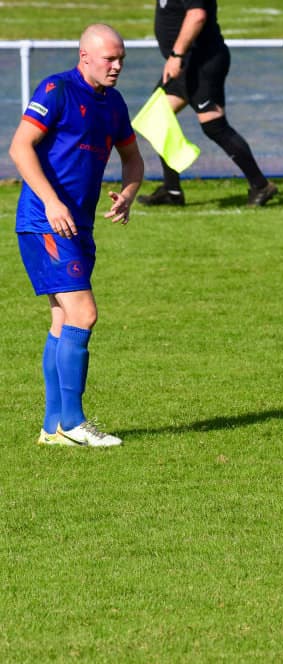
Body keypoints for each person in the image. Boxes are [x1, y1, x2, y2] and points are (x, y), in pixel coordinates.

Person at [9, 24, 143, 446]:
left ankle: (53, 428)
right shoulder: (57, 90)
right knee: (84, 314)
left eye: (121, 58)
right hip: (44, 222)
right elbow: (20, 147)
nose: (117, 66)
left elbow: (133, 159)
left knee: (63, 319)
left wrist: (128, 194)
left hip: (79, 224)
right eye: (109, 58)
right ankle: (74, 423)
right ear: (84, 56)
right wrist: (51, 202)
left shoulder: (114, 103)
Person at [137, 0, 276, 207]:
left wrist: (176, 55)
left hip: (201, 63)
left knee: (214, 126)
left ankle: (261, 185)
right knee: (157, 116)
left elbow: (197, 15)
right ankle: (171, 190)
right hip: (187, 64)